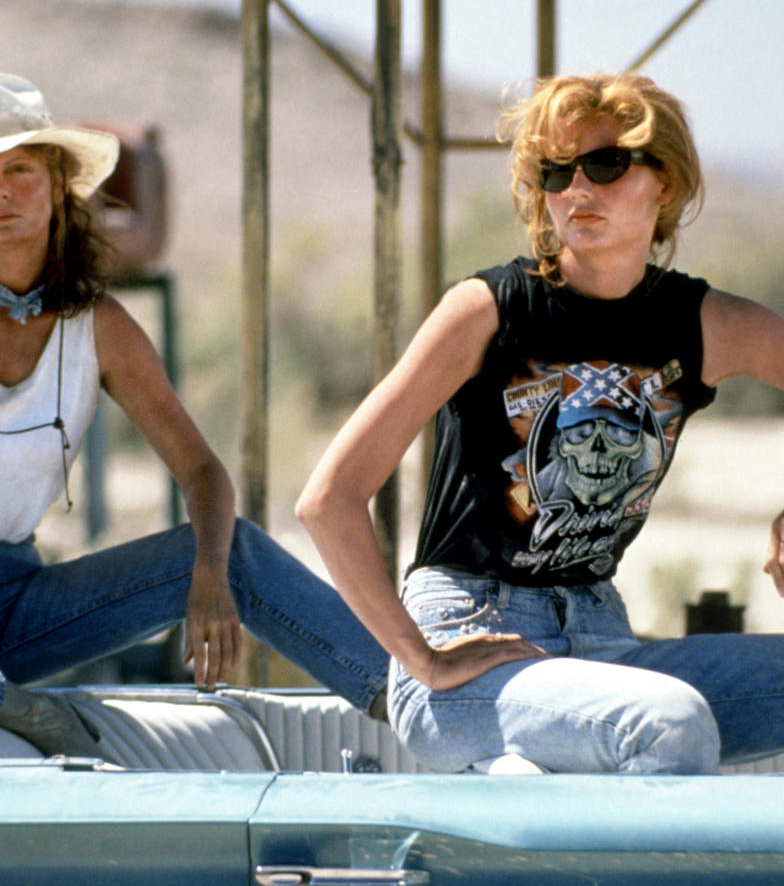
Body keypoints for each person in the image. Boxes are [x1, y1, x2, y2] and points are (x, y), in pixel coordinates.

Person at [0, 72, 388, 760]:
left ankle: (412, 701)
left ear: (59, 185)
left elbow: (203, 471)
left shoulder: (99, 326)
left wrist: (208, 572)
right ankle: (15, 709)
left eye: (20, 170)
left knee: (235, 548)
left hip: (15, 605)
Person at [296, 72, 784, 775]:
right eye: (556, 173)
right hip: (470, 641)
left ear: (667, 184)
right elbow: (327, 500)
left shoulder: (700, 324)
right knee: (667, 725)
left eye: (606, 164)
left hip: (600, 636)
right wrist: (421, 660)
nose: (577, 189)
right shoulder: (489, 308)